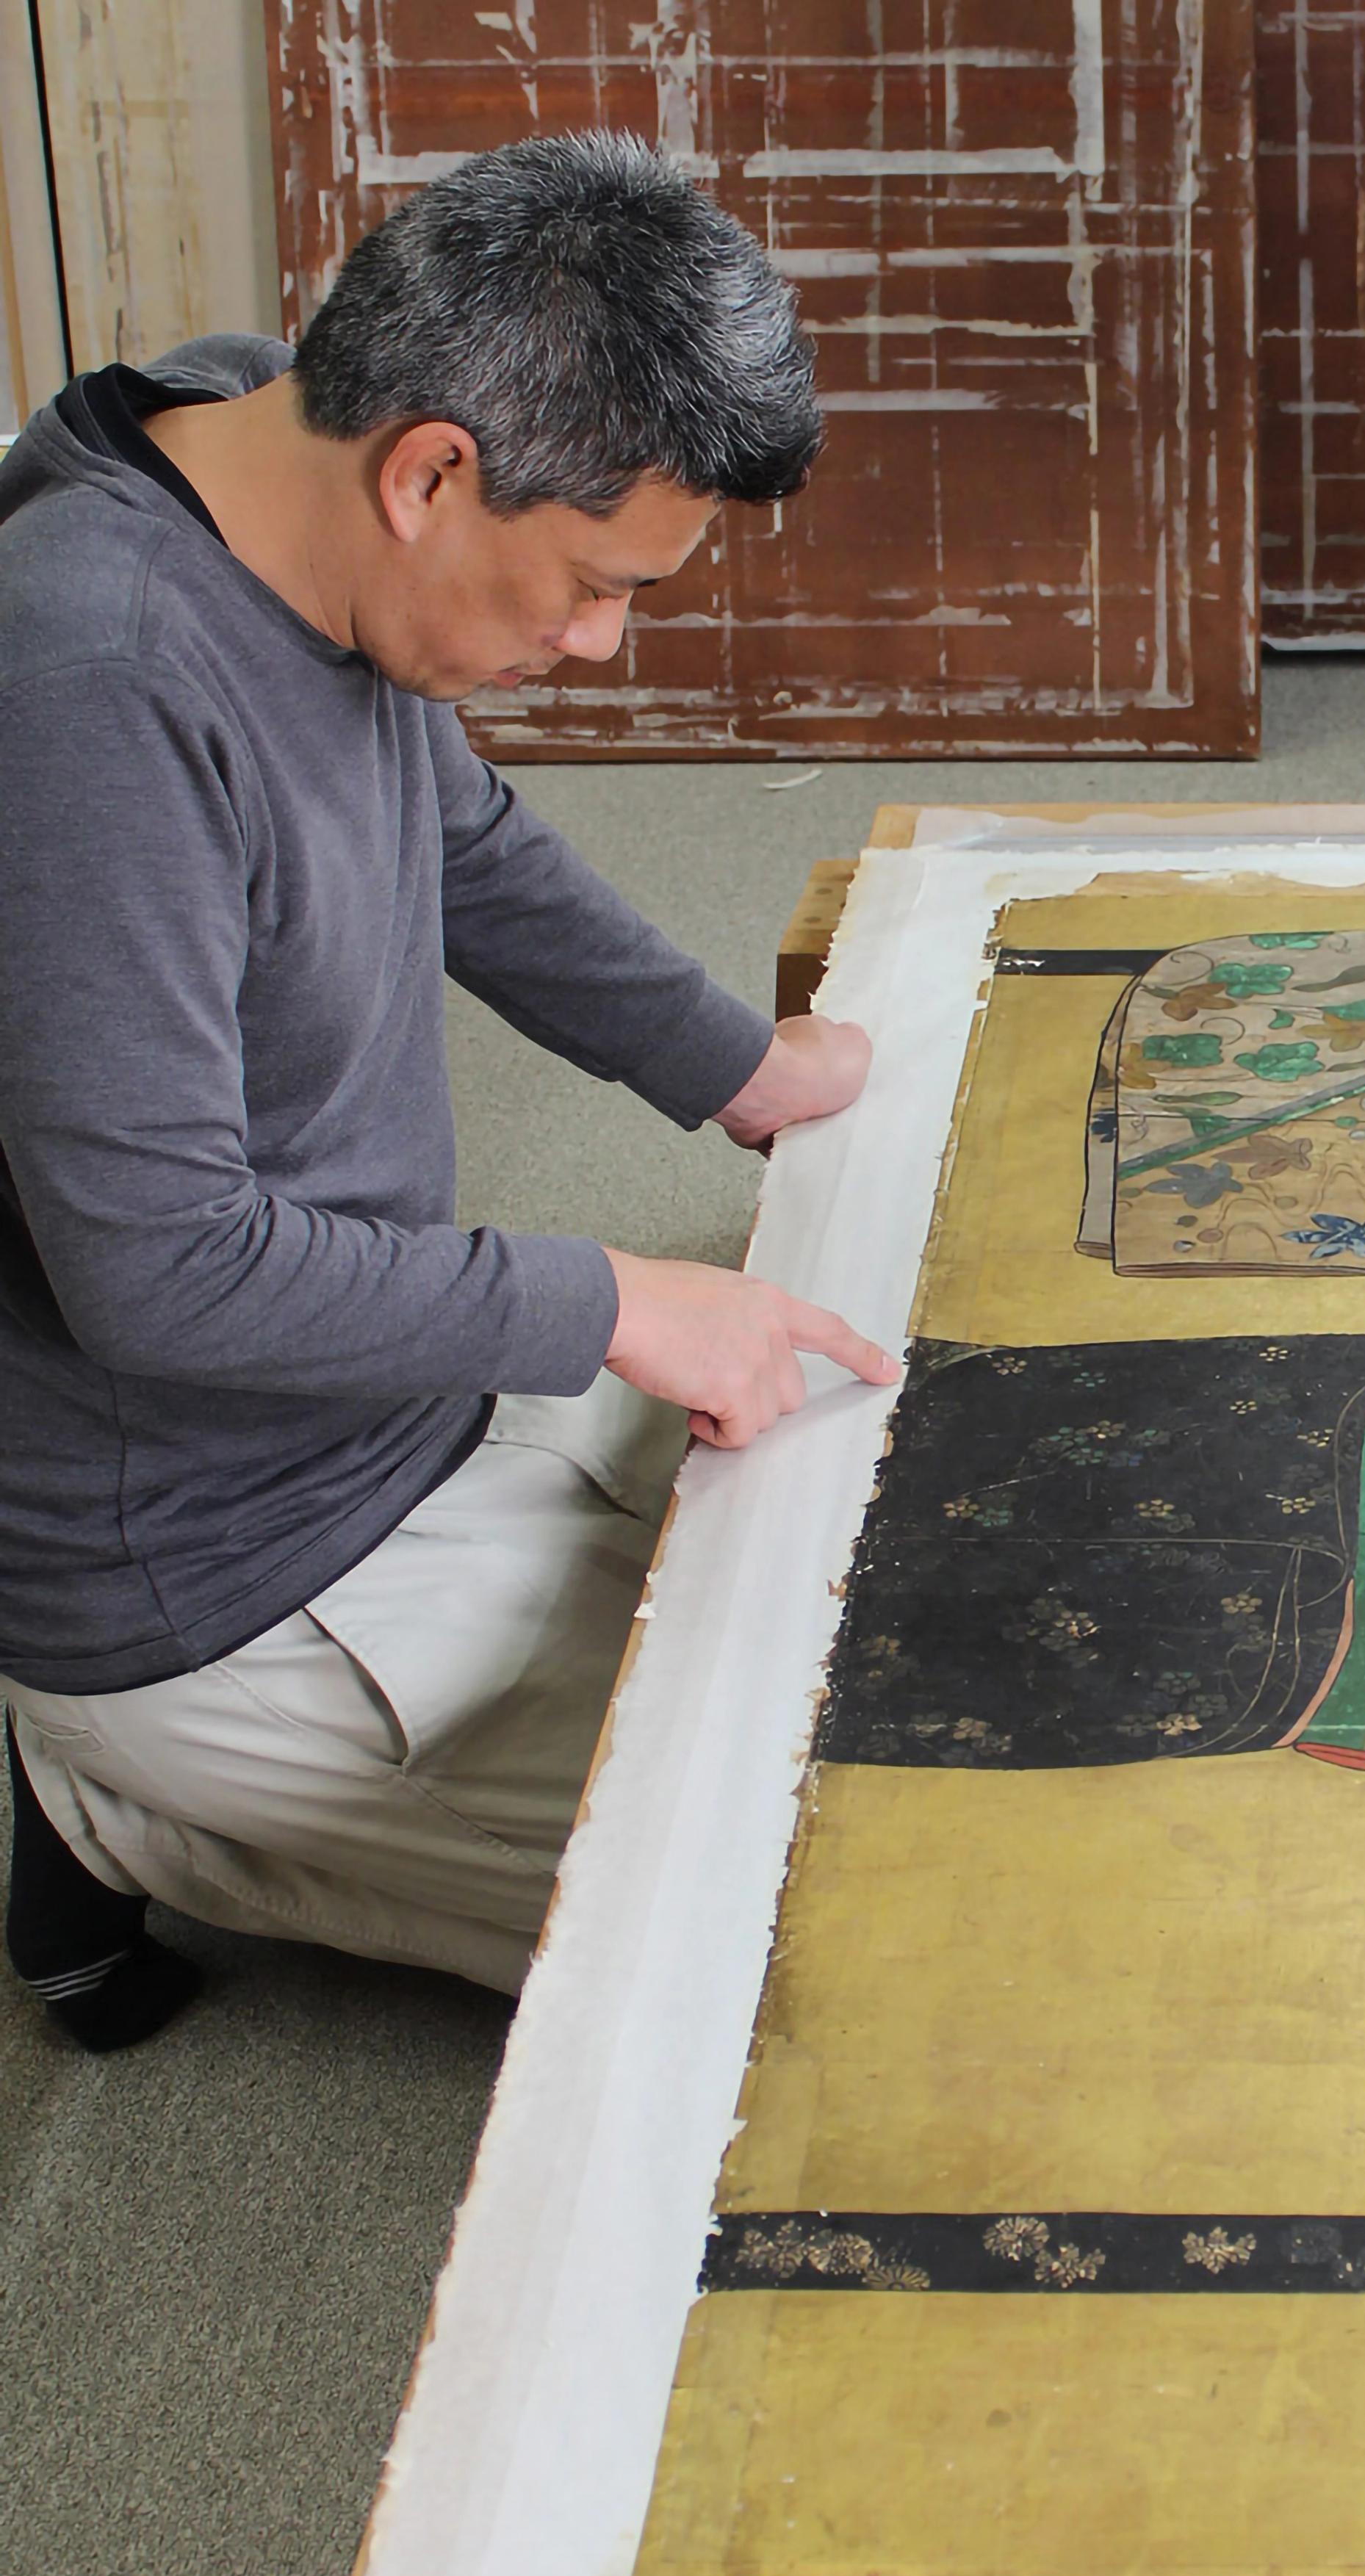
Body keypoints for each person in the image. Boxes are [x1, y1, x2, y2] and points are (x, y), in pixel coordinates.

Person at [0, 132, 901, 2051]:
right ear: (428, 474)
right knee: (851, 1935)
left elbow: (452, 829)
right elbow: (161, 1272)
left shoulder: (262, 426)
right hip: (228, 1579)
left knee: (889, 1563)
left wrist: (728, 1061)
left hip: (402, 1402)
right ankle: (114, 1798)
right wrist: (615, 1297)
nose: (602, 641)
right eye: (588, 584)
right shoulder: (86, 688)